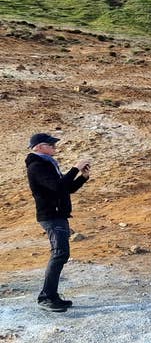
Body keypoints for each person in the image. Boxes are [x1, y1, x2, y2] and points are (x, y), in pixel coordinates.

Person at [25, 133, 91, 312]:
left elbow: (66, 189)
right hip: (51, 216)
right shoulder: (37, 166)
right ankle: (46, 297)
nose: (55, 146)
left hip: (58, 215)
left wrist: (82, 178)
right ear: (38, 147)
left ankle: (51, 296)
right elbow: (57, 187)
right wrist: (75, 168)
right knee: (59, 253)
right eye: (51, 144)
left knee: (60, 253)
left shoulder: (47, 164)